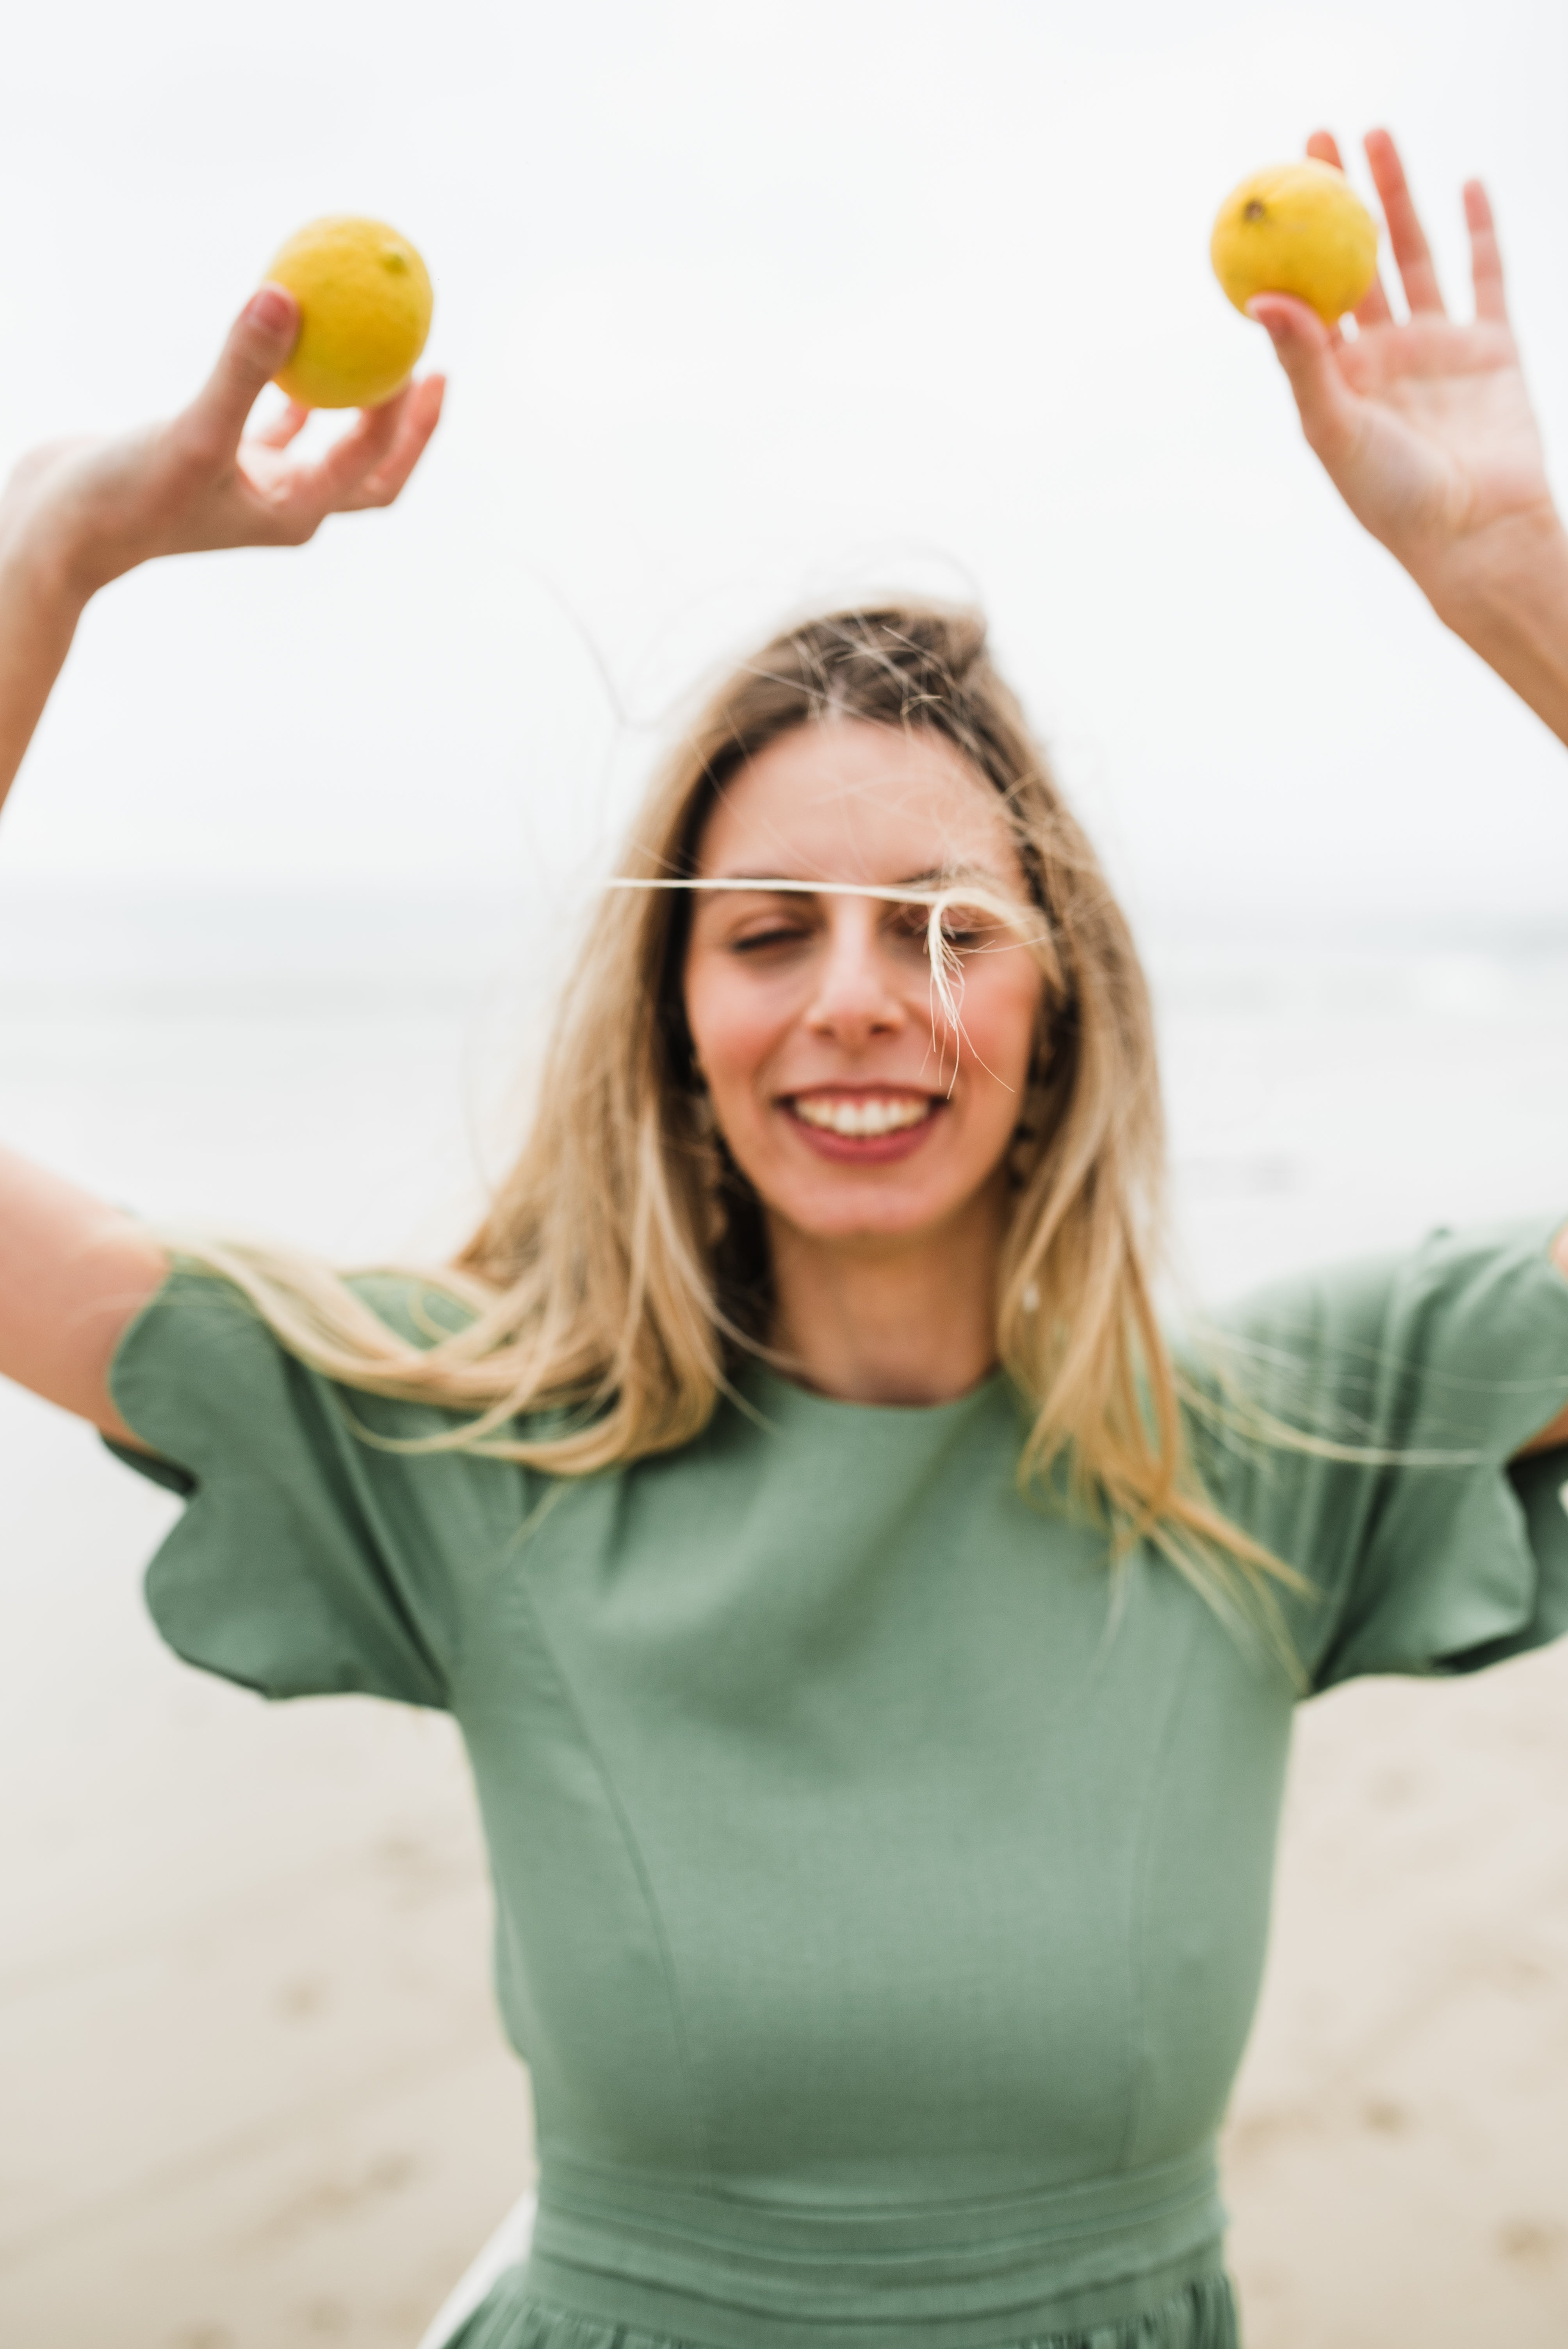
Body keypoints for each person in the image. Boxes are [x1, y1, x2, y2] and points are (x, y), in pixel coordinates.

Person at [3, 126, 1567, 2349]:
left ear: (1061, 996)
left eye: (942, 927)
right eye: (764, 934)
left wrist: (1516, 576)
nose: (856, 996)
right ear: (678, 1021)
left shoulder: (1276, 1447)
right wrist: (51, 552)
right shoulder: (474, 1443)